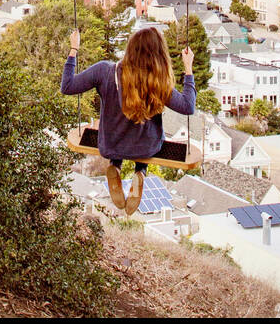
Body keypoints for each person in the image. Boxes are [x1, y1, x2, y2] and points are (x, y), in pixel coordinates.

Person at [61, 25, 196, 214]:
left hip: (111, 146)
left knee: (118, 135)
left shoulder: (105, 71)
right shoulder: (157, 82)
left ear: (130, 49)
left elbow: (67, 86)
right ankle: (140, 171)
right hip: (147, 148)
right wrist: (188, 68)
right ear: (158, 55)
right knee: (149, 140)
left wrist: (74, 49)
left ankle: (114, 166)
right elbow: (188, 106)